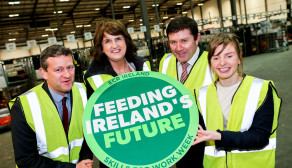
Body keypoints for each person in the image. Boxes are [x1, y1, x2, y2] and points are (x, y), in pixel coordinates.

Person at [193, 33, 281, 168]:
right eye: (216, 58)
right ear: (210, 62)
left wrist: (220, 136)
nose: (222, 63)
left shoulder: (261, 89)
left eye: (229, 56)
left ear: (239, 58)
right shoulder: (201, 95)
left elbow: (260, 137)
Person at [10, 45, 93, 168]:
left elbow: (89, 133)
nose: (67, 75)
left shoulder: (84, 92)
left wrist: (85, 158)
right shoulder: (24, 105)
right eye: (58, 70)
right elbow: (26, 161)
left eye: (70, 67)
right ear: (44, 73)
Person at [83, 19, 151, 168]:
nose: (114, 45)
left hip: (149, 146)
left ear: (126, 41)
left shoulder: (142, 67)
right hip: (117, 154)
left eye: (118, 39)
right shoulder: (93, 78)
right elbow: (91, 120)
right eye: (107, 41)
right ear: (101, 47)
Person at [159, 16, 214, 168]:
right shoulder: (166, 61)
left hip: (207, 141)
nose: (178, 48)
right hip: (179, 140)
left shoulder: (213, 63)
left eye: (184, 41)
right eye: (173, 42)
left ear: (197, 39)